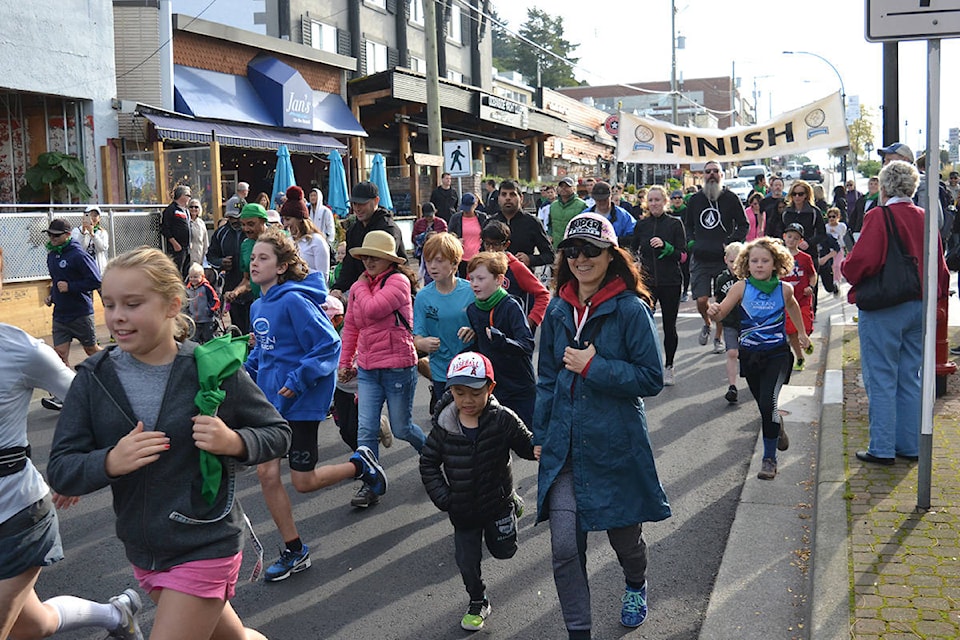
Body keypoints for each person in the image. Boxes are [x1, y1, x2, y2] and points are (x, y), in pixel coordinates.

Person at [47, 246, 292, 640]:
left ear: (171, 305)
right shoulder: (93, 378)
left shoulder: (211, 369)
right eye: (108, 304)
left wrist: (233, 441)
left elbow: (277, 433)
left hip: (207, 540)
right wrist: (109, 461)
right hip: (145, 548)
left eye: (132, 303)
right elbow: (61, 469)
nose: (117, 316)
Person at [535, 213, 670, 638]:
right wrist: (540, 434)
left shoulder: (631, 309)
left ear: (611, 255)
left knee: (625, 541)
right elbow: (545, 379)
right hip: (566, 445)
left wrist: (595, 366)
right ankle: (580, 631)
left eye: (591, 250)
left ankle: (635, 583)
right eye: (572, 250)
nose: (580, 258)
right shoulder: (558, 308)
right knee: (563, 547)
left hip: (615, 444)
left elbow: (650, 379)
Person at [0, 246, 145, 640]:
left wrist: (83, 465)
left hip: (14, 514)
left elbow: (88, 401)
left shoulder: (21, 350)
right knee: (34, 625)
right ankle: (117, 615)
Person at [243, 228, 387, 582]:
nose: (254, 262)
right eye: (253, 257)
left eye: (263, 257)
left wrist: (296, 382)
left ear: (280, 267)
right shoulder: (258, 305)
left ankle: (359, 465)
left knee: (304, 482)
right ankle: (295, 550)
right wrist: (242, 372)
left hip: (299, 403)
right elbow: (266, 350)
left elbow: (327, 345)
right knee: (266, 473)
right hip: (269, 404)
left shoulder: (294, 301)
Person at [419, 351, 537, 633]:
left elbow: (526, 445)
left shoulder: (503, 419)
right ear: (451, 392)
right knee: (466, 562)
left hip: (497, 504)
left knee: (505, 551)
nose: (467, 401)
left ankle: (513, 503)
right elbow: (428, 463)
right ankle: (477, 600)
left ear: (490, 388)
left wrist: (538, 448)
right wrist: (445, 498)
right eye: (460, 393)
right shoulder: (444, 427)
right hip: (463, 510)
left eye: (475, 392)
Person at [842, 160, 949, 465]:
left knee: (882, 377)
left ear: (885, 187)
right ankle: (910, 444)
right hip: (919, 305)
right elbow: (939, 266)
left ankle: (883, 447)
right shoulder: (925, 217)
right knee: (909, 376)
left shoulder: (879, 215)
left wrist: (848, 266)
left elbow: (862, 264)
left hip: (885, 306)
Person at [707, 237, 810, 480]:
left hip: (777, 355)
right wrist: (712, 312)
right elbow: (721, 311)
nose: (759, 265)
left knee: (768, 403)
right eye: (754, 261)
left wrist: (802, 333)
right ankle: (777, 428)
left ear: (776, 264)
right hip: (751, 356)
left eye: (765, 260)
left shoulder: (784, 289)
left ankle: (769, 459)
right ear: (747, 263)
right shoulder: (740, 288)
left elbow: (793, 307)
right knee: (765, 406)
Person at [338, 231, 426, 508]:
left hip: (398, 366)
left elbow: (374, 310)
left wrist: (359, 286)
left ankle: (432, 453)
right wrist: (345, 363)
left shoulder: (398, 282)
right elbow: (351, 326)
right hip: (367, 367)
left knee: (401, 428)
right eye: (365, 257)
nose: (368, 262)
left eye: (374, 257)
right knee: (365, 429)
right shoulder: (360, 286)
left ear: (388, 260)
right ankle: (371, 484)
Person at [461, 252, 536, 429]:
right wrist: (468, 346)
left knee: (532, 440)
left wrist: (501, 340)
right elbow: (481, 346)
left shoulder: (510, 306)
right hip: (494, 387)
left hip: (519, 386)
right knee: (497, 440)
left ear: (499, 279)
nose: (474, 284)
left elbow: (527, 345)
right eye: (471, 279)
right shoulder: (473, 309)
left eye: (480, 278)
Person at [685, 160, 749, 351]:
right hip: (701, 257)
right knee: (702, 300)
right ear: (703, 175)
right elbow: (687, 225)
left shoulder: (731, 198)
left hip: (724, 259)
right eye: (708, 171)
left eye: (715, 171)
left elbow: (743, 225)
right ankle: (707, 323)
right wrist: (691, 243)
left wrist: (731, 243)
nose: (711, 174)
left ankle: (718, 338)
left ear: (722, 175)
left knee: (722, 302)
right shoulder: (695, 200)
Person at [42, 218, 102, 411]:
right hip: (60, 314)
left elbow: (96, 281)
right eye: (50, 235)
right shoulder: (52, 255)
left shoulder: (78, 255)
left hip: (80, 313)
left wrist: (71, 287)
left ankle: (117, 368)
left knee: (91, 350)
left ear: (67, 235)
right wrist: (52, 295)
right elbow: (56, 280)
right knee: (59, 356)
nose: (52, 238)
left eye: (56, 235)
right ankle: (67, 394)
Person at [413, 232, 475, 414]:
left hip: (469, 367)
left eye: (439, 260)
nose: (433, 266)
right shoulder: (423, 296)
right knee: (447, 421)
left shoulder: (471, 291)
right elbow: (417, 336)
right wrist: (422, 343)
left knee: (470, 418)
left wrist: (474, 330)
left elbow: (485, 325)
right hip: (440, 370)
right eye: (429, 260)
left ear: (455, 263)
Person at [630, 186, 687, 383]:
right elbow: (632, 248)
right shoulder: (642, 225)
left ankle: (669, 366)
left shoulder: (674, 224)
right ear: (647, 202)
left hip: (670, 281)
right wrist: (634, 262)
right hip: (647, 282)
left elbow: (683, 255)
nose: (654, 203)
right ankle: (646, 365)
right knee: (644, 324)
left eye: (658, 200)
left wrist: (666, 247)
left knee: (670, 326)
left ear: (665, 202)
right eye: (651, 200)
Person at [329, 181, 406, 302]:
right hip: (363, 288)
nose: (357, 208)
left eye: (362, 204)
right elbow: (349, 263)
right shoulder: (353, 230)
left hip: (390, 287)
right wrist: (338, 287)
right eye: (354, 204)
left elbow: (388, 264)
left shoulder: (389, 228)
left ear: (376, 201)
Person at [479, 221, 550, 331]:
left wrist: (530, 321)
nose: (491, 249)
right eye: (487, 244)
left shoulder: (515, 267)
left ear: (506, 244)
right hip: (485, 330)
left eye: (496, 244)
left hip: (512, 332)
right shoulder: (479, 266)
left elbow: (543, 294)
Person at [777, 180, 827, 314]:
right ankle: (789, 311)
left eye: (800, 194)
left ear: (806, 195)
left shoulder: (814, 212)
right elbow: (778, 231)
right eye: (794, 194)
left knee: (809, 282)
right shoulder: (786, 213)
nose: (797, 197)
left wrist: (809, 242)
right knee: (790, 281)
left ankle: (810, 312)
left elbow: (822, 234)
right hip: (789, 254)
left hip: (809, 254)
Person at [223, 203, 269, 335]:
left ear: (263, 221)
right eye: (243, 224)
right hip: (258, 305)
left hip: (278, 303)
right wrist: (235, 292)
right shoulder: (246, 245)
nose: (246, 229)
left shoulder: (279, 240)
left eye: (251, 224)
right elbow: (248, 280)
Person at [491, 180, 555, 270]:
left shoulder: (532, 222)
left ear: (521, 198)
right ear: (498, 198)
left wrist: (530, 259)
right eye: (504, 194)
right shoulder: (491, 222)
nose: (508, 198)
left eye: (512, 194)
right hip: (495, 278)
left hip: (523, 278)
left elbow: (549, 255)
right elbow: (482, 253)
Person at [780, 223, 817, 371]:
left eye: (795, 238)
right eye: (789, 236)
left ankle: (806, 339)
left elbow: (813, 275)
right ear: (784, 237)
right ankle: (800, 357)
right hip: (787, 301)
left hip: (803, 299)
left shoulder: (805, 258)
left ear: (800, 241)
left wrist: (811, 286)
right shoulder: (779, 257)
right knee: (791, 331)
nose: (791, 240)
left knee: (806, 328)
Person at [206, 202, 247, 332]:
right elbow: (211, 255)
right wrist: (220, 262)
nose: (235, 221)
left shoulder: (252, 231)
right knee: (237, 328)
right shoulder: (221, 233)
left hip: (253, 288)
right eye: (231, 217)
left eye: (237, 217)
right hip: (232, 285)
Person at [280, 186, 330, 281]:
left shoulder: (317, 241)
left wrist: (298, 268)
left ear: (299, 219)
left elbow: (323, 277)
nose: (285, 224)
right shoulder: (289, 240)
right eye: (283, 219)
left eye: (288, 219)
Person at [714, 242, 743, 403]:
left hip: (748, 323)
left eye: (738, 261)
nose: (735, 265)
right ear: (726, 260)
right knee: (732, 352)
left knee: (749, 355)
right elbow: (718, 299)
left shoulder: (749, 278)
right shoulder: (721, 279)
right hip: (730, 321)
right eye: (732, 261)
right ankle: (732, 387)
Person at [448, 193, 488, 277]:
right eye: (464, 208)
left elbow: (489, 234)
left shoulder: (482, 218)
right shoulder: (455, 218)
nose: (466, 211)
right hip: (461, 258)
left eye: (469, 208)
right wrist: (456, 241)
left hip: (479, 258)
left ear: (475, 205)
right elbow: (449, 237)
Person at [161, 184, 193, 278]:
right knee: (176, 271)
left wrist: (190, 241)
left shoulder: (186, 210)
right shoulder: (171, 210)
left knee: (186, 270)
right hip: (177, 247)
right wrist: (174, 243)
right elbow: (165, 228)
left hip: (186, 247)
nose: (189, 198)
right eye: (188, 196)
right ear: (182, 196)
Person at [185, 262, 220, 344]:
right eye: (191, 277)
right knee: (194, 338)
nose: (193, 279)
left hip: (206, 318)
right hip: (194, 319)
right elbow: (187, 300)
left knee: (208, 338)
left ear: (202, 276)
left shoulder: (206, 288)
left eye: (196, 277)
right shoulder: (188, 289)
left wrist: (211, 310)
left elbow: (215, 300)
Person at [548, 177, 587, 249]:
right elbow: (550, 224)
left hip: (575, 247)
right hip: (557, 246)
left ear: (574, 188)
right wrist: (550, 236)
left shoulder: (582, 205)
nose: (563, 188)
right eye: (561, 186)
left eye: (567, 186)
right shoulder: (553, 205)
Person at [669, 189, 691, 301]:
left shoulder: (687, 211)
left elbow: (691, 227)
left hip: (684, 245)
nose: (677, 200)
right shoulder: (668, 212)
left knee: (685, 270)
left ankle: (685, 291)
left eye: (679, 198)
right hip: (671, 246)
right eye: (674, 198)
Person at [74, 205, 109, 274]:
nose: (92, 218)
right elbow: (77, 248)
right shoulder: (77, 230)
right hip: (82, 269)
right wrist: (83, 233)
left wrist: (93, 235)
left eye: (95, 215)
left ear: (99, 218)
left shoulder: (102, 232)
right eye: (89, 215)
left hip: (98, 269)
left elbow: (103, 248)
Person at [849, 176, 880, 240]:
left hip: (873, 232)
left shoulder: (880, 201)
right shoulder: (861, 199)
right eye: (871, 184)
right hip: (859, 230)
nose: (873, 186)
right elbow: (854, 216)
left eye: (876, 184)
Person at [824, 207, 848, 288]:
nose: (831, 218)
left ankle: (836, 281)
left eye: (833, 216)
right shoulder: (826, 227)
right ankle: (833, 280)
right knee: (831, 266)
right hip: (829, 250)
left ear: (838, 217)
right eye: (829, 217)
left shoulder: (842, 226)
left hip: (839, 248)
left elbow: (844, 237)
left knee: (837, 265)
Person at [187, 198, 209, 269]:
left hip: (200, 255)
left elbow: (205, 241)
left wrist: (206, 257)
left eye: (196, 207)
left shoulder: (201, 223)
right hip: (189, 256)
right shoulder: (186, 222)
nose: (193, 209)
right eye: (191, 206)